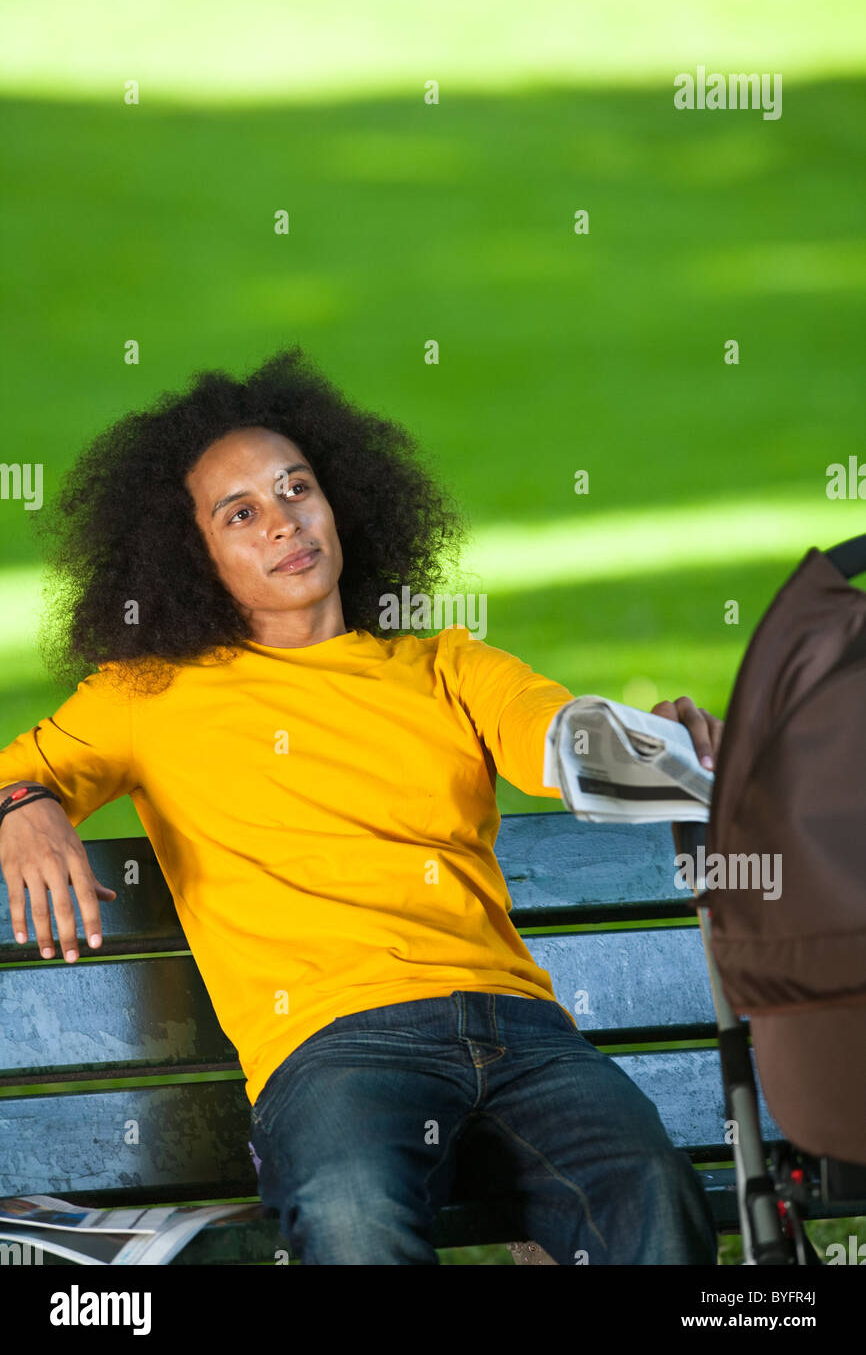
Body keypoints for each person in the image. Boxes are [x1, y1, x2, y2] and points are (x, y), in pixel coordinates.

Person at [0, 347, 722, 1265]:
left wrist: (664, 746)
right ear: (194, 554)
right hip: (336, 1049)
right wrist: (23, 801)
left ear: (339, 498)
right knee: (353, 1220)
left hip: (521, 1031)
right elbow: (16, 777)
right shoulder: (149, 696)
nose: (284, 524)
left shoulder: (448, 667)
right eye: (241, 513)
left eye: (297, 488)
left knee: (652, 1195)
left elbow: (562, 738)